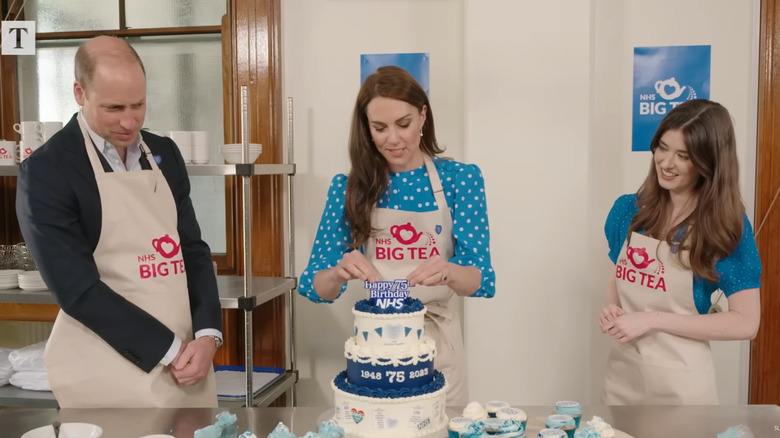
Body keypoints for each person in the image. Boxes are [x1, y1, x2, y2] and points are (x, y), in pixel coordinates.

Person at [15, 36, 222, 408]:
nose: (130, 122)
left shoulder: (164, 154)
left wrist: (208, 335)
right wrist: (170, 349)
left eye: (139, 105)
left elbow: (191, 249)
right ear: (79, 93)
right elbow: (76, 289)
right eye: (114, 108)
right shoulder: (47, 170)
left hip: (188, 363)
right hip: (105, 368)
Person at [298, 65, 495, 405]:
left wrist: (448, 270)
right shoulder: (350, 190)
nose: (393, 138)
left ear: (422, 116)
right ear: (366, 129)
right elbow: (316, 287)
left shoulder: (460, 180)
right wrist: (338, 271)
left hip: (438, 350)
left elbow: (480, 279)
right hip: (378, 352)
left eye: (403, 124)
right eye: (379, 127)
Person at [599, 99, 762, 405]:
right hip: (623, 380)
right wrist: (614, 310)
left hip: (683, 390)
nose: (666, 162)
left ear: (708, 162)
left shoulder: (725, 227)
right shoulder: (628, 210)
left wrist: (652, 319)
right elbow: (615, 279)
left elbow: (746, 322)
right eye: (662, 147)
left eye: (682, 155)